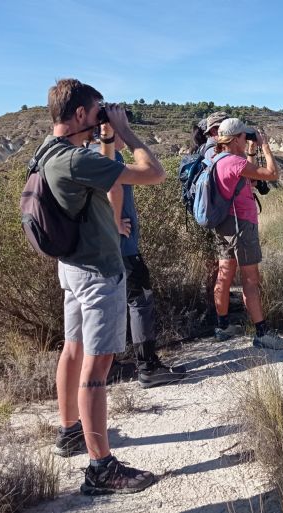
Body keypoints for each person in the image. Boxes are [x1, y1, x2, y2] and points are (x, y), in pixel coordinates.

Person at [45, 78, 164, 495]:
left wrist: (107, 137)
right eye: (98, 111)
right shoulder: (77, 161)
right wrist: (127, 132)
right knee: (97, 370)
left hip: (73, 268)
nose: (102, 116)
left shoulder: (51, 153)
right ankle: (101, 468)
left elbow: (104, 177)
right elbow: (153, 173)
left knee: (73, 351)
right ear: (80, 113)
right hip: (98, 273)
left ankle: (71, 431)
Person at [90, 136, 187, 388]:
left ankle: (107, 367)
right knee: (139, 301)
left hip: (93, 250)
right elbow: (115, 186)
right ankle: (148, 367)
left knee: (105, 305)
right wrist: (115, 223)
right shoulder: (112, 156)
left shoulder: (81, 155)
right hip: (122, 248)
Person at [212, 118, 283, 350]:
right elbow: (272, 174)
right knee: (250, 280)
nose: (247, 139)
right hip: (242, 225)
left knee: (224, 275)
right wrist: (265, 146)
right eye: (245, 137)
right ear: (236, 139)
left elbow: (251, 179)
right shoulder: (235, 163)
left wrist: (251, 152)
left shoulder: (218, 160)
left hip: (223, 224)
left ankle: (223, 326)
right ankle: (262, 333)